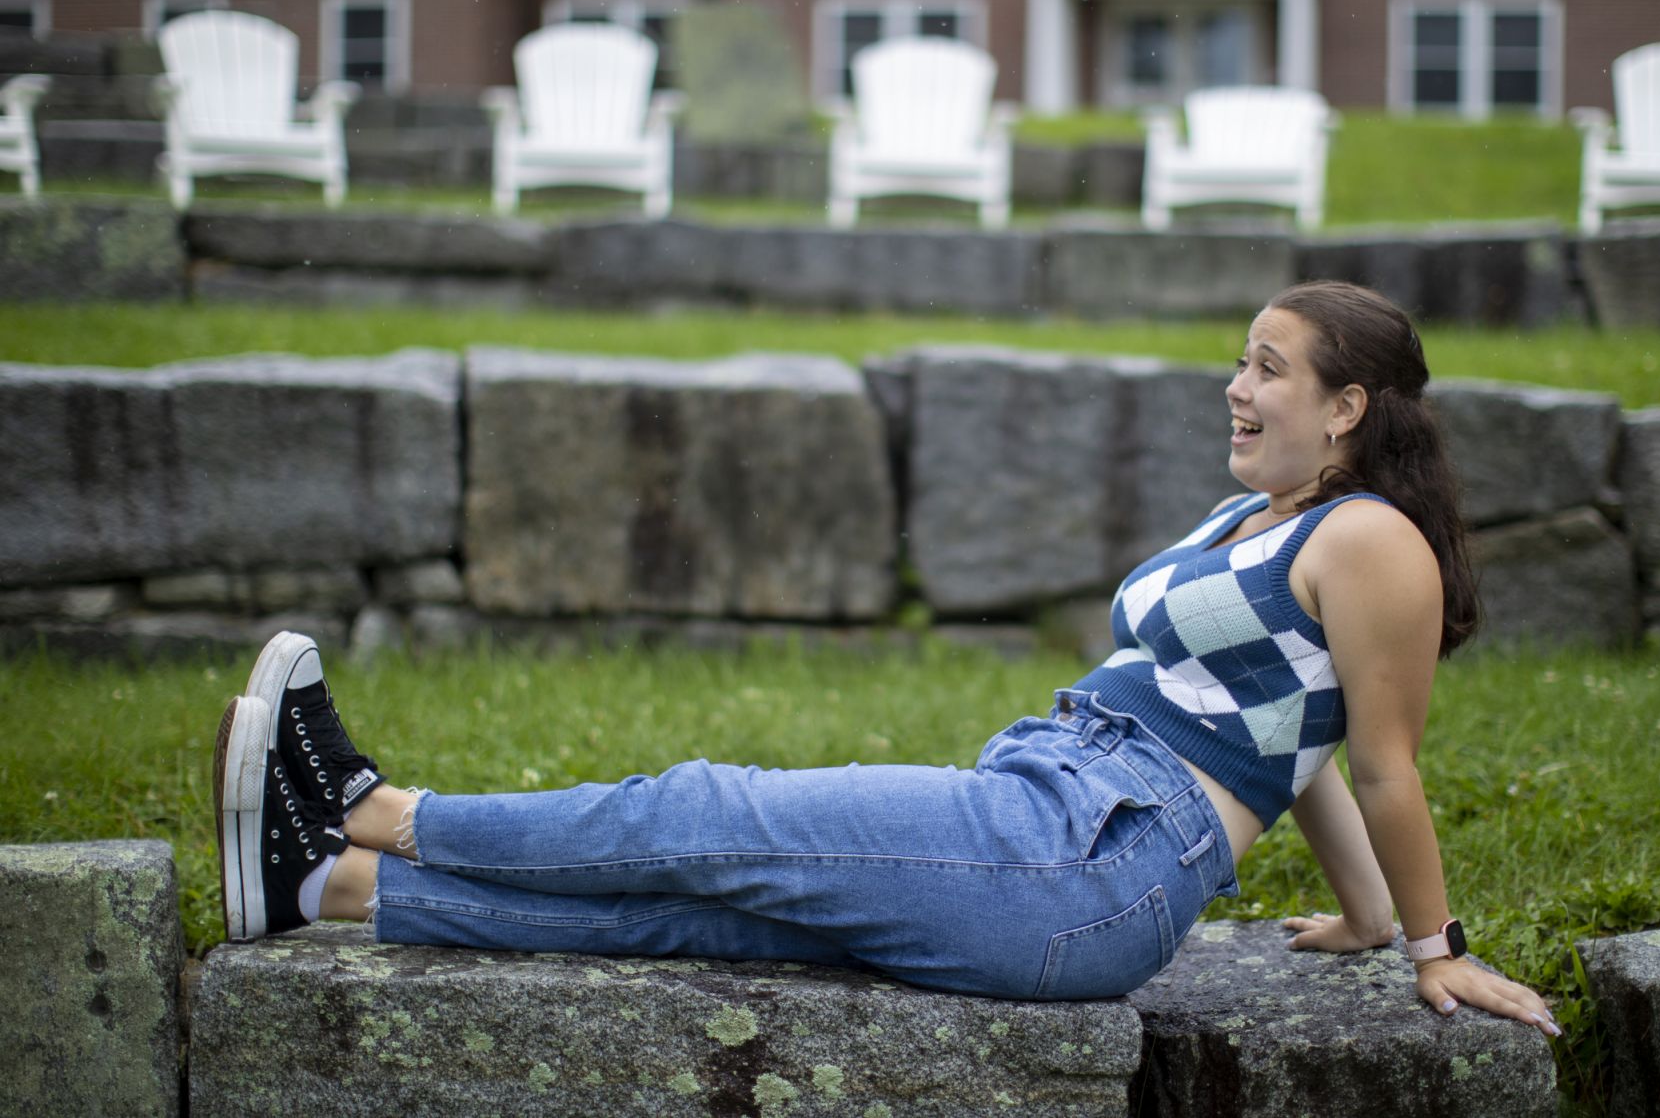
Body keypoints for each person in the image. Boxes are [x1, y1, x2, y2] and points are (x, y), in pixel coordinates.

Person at [212, 280, 1558, 1034]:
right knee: (702, 915)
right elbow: (1291, 728)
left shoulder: (1376, 538)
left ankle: (367, 808)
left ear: (1346, 405)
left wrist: (1432, 949)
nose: (1237, 385)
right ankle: (327, 887)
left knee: (704, 813)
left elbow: (1382, 763)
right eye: (1241, 360)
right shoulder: (1262, 515)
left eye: (1268, 367)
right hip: (1062, 819)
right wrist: (1366, 920)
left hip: (1091, 861)